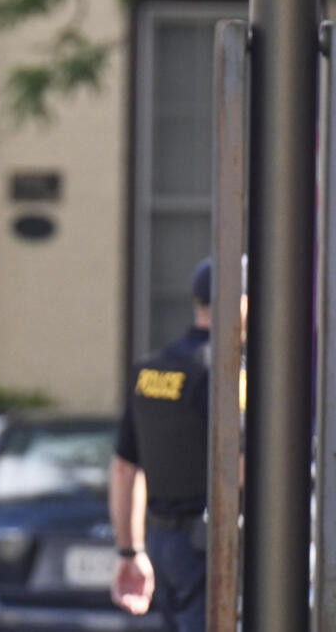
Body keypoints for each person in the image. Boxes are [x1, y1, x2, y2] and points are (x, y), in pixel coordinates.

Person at [109, 257, 213, 632]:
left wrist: (129, 550)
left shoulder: (152, 370)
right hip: (211, 545)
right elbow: (244, 466)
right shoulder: (222, 371)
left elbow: (124, 468)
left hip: (161, 543)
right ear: (242, 301)